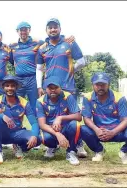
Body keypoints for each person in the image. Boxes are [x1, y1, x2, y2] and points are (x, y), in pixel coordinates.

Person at [36, 18, 88, 157]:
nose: (53, 29)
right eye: (50, 27)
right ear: (46, 30)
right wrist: (39, 86)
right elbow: (39, 68)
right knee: (49, 116)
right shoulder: (42, 48)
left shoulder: (69, 43)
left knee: (71, 117)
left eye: (55, 27)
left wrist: (71, 70)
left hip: (68, 86)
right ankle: (51, 145)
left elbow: (82, 62)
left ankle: (78, 144)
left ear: (60, 29)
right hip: (49, 87)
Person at [80, 72, 127, 164]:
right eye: (97, 84)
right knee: (82, 129)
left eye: (103, 84)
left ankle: (125, 152)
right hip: (99, 132)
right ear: (93, 85)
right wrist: (96, 130)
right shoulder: (87, 97)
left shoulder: (119, 97)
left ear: (108, 84)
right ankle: (99, 151)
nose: (100, 87)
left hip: (118, 132)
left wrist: (113, 132)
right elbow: (86, 118)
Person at [0, 75, 41, 164]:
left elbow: (34, 123)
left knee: (38, 139)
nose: (10, 88)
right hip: (2, 134)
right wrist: (1, 116)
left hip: (17, 133)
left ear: (16, 87)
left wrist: (34, 136)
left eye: (12, 86)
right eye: (7, 86)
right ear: (3, 87)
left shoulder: (24, 102)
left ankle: (20, 147)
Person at [36, 76, 82, 165]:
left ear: (60, 88)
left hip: (65, 128)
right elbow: (42, 124)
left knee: (75, 125)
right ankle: (52, 147)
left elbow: (79, 116)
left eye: (56, 87)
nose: (53, 90)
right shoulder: (40, 101)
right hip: (51, 130)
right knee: (42, 138)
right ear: (46, 88)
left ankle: (71, 152)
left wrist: (60, 118)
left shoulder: (67, 96)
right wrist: (57, 134)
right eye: (50, 88)